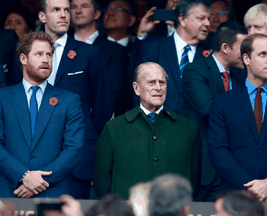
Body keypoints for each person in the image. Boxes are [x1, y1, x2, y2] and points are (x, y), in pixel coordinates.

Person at [38, 0, 114, 199]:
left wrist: (86, 140)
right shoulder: (25, 54)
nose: (64, 15)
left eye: (66, 10)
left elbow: (103, 106)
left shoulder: (89, 53)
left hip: (77, 158)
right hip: (33, 156)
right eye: (56, 10)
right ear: (42, 16)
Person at [93, 62, 202, 200]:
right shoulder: (114, 128)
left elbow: (194, 182)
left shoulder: (188, 129)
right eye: (151, 82)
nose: (158, 88)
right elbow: (101, 181)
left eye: (162, 82)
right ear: (136, 88)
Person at [0, 31, 84, 197]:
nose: (46, 59)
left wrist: (38, 179)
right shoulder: (2, 98)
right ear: (23, 59)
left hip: (52, 192)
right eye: (39, 54)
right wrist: (23, 175)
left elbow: (74, 149)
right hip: (9, 191)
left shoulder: (70, 100)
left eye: (49, 55)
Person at [208, 33, 267, 203]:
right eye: (262, 54)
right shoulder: (223, 102)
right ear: (246, 59)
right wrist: (252, 189)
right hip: (235, 197)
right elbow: (217, 150)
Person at [180, 21, 247, 201]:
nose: (246, 54)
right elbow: (208, 108)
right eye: (243, 48)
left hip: (234, 166)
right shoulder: (195, 71)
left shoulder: (240, 75)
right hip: (204, 163)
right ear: (225, 47)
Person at [137, 0, 211, 114]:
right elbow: (142, 90)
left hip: (198, 128)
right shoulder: (154, 48)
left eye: (208, 19)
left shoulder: (210, 54)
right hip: (158, 126)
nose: (207, 24)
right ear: (182, 19)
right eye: (201, 18)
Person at [70, 0, 129, 116]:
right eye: (73, 7)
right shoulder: (57, 47)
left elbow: (113, 93)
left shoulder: (115, 50)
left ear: (97, 14)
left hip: (96, 122)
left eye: (84, 6)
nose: (78, 11)